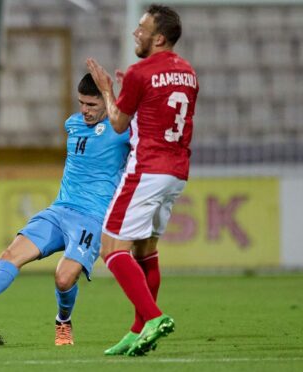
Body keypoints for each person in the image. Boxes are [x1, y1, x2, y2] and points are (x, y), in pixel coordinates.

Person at [0, 73, 130, 346]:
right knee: (11, 254)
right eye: (81, 103)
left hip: (91, 218)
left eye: (91, 105)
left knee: (64, 278)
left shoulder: (124, 131)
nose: (84, 110)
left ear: (107, 101)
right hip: (59, 211)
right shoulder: (73, 124)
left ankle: (63, 322)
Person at [86, 4, 199, 357]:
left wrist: (107, 90)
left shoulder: (140, 73)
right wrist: (130, 88)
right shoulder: (188, 72)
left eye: (142, 28)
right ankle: (137, 331)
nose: (135, 32)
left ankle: (153, 317)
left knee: (112, 250)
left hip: (147, 168)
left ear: (159, 37)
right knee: (145, 251)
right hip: (176, 172)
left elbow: (118, 123)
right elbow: (159, 105)